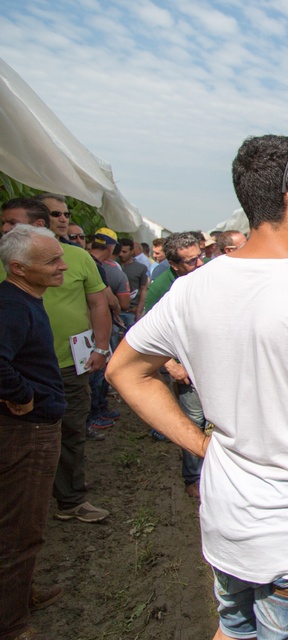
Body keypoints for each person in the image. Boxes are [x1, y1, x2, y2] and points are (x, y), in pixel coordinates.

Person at [106, 134, 288, 640]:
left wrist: (202, 444)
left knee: (233, 630)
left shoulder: (193, 288)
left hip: (227, 524)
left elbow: (124, 370)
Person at [0, 197, 111, 522]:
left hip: (67, 363)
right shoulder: (12, 264)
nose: (6, 228)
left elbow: (97, 304)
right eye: (4, 222)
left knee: (71, 431)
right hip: (16, 372)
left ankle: (69, 498)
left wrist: (101, 348)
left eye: (12, 223)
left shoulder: (74, 258)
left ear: (36, 226)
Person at [0, 226, 68, 640]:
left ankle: (21, 595)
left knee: (22, 524)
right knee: (21, 529)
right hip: (27, 431)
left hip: (31, 426)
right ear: (19, 268)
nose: (62, 266)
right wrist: (22, 396)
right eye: (52, 261)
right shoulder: (12, 307)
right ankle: (11, 623)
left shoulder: (22, 300)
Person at [141, 231, 207, 498]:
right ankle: (193, 478)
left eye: (200, 256)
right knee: (193, 420)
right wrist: (171, 364)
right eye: (191, 261)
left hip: (208, 360)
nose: (199, 264)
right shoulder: (161, 288)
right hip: (185, 366)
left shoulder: (206, 277)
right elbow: (144, 332)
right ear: (175, 265)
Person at [85, 229, 129, 431]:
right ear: (112, 247)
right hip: (99, 327)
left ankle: (96, 410)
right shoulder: (97, 267)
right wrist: (117, 309)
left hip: (84, 327)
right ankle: (94, 414)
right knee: (97, 372)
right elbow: (114, 301)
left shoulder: (82, 259)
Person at [116, 239, 149, 326]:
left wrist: (139, 310)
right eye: (119, 251)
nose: (121, 254)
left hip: (131, 312)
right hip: (114, 312)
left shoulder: (141, 268)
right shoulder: (113, 266)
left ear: (132, 251)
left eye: (124, 251)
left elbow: (143, 290)